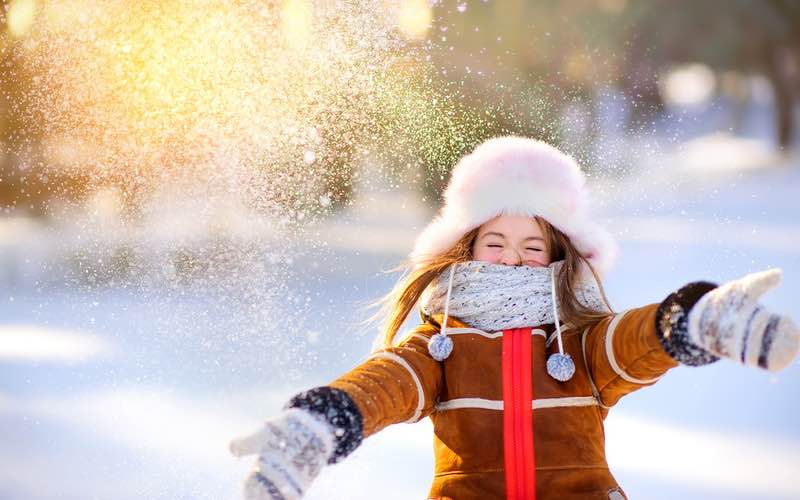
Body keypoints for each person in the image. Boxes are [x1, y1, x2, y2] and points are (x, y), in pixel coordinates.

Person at [229, 136, 800, 500]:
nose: (511, 256)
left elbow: (630, 343)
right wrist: (324, 421)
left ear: (557, 256)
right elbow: (387, 384)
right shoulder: (442, 346)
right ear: (467, 250)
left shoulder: (576, 344)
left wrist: (692, 320)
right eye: (494, 241)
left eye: (532, 245)